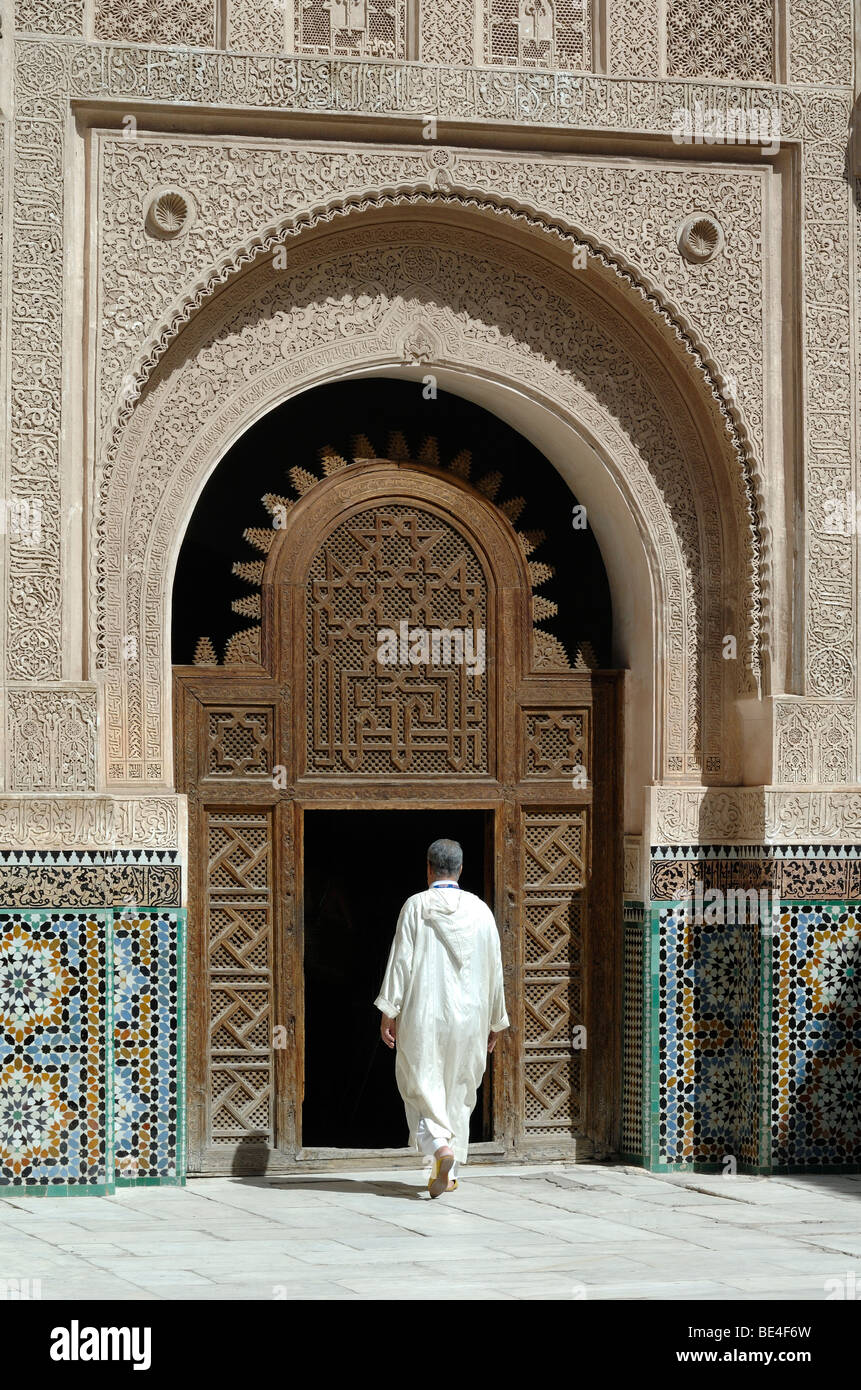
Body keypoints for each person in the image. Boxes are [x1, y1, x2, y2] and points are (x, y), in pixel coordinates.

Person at [375, 838, 509, 1198]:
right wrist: (495, 1021)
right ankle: (446, 1173)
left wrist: (390, 1010)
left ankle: (439, 1148)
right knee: (458, 1090)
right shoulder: (481, 910)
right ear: (461, 869)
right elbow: (495, 969)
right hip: (469, 1018)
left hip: (425, 1015)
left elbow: (401, 961)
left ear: (429, 868)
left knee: (420, 1086)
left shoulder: (417, 906)